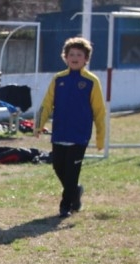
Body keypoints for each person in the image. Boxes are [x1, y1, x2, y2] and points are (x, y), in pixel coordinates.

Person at [34, 36, 106, 218]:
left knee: (72, 171)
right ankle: (76, 191)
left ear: (86, 59)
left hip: (79, 135)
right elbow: (46, 104)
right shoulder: (58, 79)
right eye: (71, 54)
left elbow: (99, 110)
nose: (75, 57)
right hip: (60, 132)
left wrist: (100, 137)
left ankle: (65, 206)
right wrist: (39, 125)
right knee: (58, 167)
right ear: (65, 57)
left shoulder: (91, 81)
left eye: (79, 55)